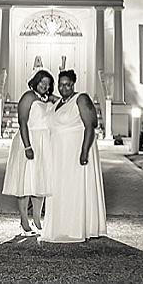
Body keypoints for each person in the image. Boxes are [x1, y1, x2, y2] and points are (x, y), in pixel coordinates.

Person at [39, 69, 107, 243]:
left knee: (74, 188)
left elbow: (91, 125)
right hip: (58, 154)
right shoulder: (58, 102)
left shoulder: (81, 98)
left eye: (67, 84)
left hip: (75, 151)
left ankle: (78, 226)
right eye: (60, 85)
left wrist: (84, 151)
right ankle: (61, 225)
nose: (64, 88)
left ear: (73, 84)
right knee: (60, 187)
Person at [1, 69, 57, 236]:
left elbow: (63, 104)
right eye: (42, 82)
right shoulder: (28, 97)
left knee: (41, 181)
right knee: (25, 182)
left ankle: (38, 220)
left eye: (48, 84)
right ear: (36, 81)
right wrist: (27, 146)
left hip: (45, 143)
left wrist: (54, 98)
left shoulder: (47, 99)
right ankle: (24, 221)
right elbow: (22, 122)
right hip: (29, 139)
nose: (44, 86)